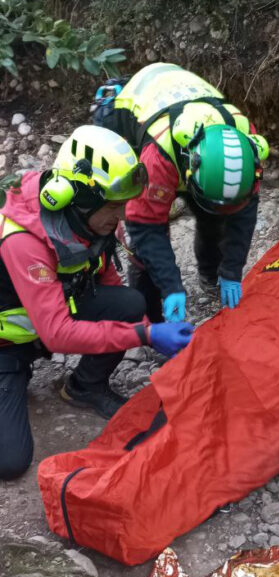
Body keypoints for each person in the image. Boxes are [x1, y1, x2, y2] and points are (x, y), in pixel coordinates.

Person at [0, 125, 194, 480]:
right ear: (83, 198)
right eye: (114, 207)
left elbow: (107, 282)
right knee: (10, 462)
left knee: (130, 302)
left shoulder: (89, 222)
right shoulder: (22, 241)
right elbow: (58, 334)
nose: (120, 217)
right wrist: (146, 337)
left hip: (41, 326)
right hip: (7, 346)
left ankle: (83, 387)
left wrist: (150, 327)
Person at [93, 62, 270, 322]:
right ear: (188, 172)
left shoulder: (246, 148)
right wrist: (171, 286)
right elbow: (146, 226)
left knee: (214, 219)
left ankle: (210, 276)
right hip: (132, 116)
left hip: (183, 98)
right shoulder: (158, 157)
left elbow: (244, 213)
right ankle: (150, 319)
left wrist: (231, 271)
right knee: (142, 249)